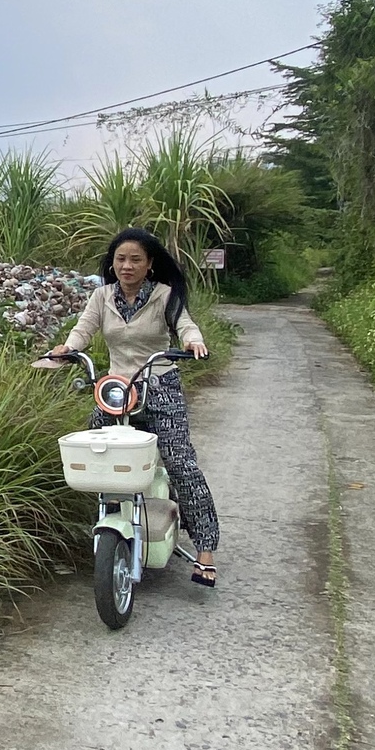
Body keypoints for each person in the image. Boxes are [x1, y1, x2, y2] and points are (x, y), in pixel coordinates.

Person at [40, 227, 220, 587]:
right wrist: (67, 348)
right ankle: (104, 528)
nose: (127, 265)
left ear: (150, 264)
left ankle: (205, 549)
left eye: (135, 259)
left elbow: (185, 325)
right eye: (120, 259)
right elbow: (83, 329)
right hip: (116, 389)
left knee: (181, 463)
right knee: (96, 455)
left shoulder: (165, 295)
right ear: (112, 263)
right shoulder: (101, 296)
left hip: (160, 386)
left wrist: (193, 341)